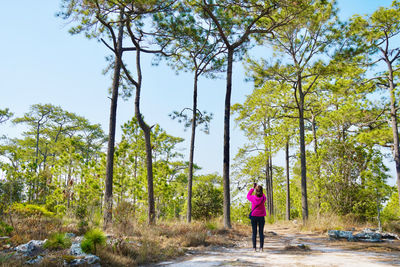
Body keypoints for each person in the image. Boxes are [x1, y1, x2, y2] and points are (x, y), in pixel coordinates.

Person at [247, 183, 266, 252]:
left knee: (254, 233)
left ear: (256, 191)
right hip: (261, 217)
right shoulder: (263, 198)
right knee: (261, 233)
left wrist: (253, 188)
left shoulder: (252, 198)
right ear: (261, 191)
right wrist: (259, 189)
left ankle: (254, 248)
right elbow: (263, 195)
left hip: (254, 216)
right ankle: (261, 248)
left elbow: (248, 195)